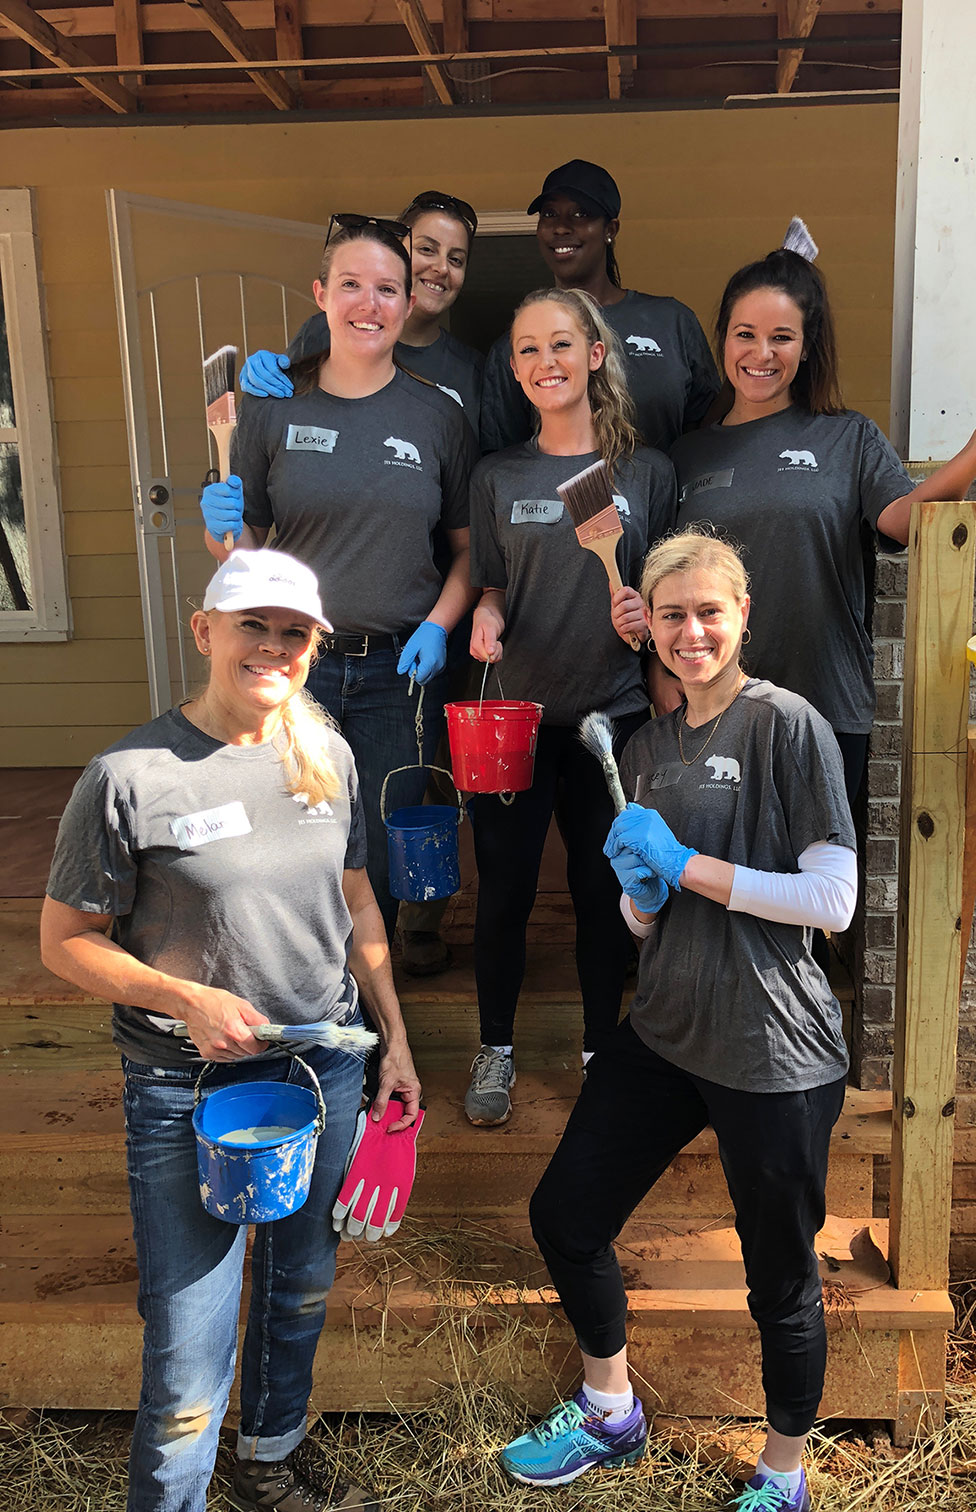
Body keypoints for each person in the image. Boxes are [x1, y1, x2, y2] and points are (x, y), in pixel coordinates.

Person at [39, 548, 422, 1512]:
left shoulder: (327, 755)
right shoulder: (132, 775)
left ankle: (266, 1465)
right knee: (187, 1337)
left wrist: (396, 1045)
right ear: (204, 631)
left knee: (297, 1289)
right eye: (252, 624)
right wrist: (188, 1001)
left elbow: (359, 907)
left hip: (321, 1072)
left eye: (295, 632)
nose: (274, 646)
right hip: (185, 1090)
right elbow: (63, 942)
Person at [499, 530, 857, 1512]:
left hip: (774, 1049)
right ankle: (610, 1412)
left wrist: (689, 868)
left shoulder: (788, 727)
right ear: (648, 628)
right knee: (565, 1217)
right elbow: (647, 920)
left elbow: (832, 901)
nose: (691, 631)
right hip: (664, 1029)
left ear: (743, 618)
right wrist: (641, 895)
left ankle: (783, 1475)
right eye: (671, 615)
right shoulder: (649, 750)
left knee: (779, 1276)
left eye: (709, 611)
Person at [663, 226, 976, 803]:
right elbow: (662, 585)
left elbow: (902, 521)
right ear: (723, 341)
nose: (761, 353)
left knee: (820, 890)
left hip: (824, 704)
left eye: (781, 337)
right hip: (710, 706)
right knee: (718, 888)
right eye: (744, 334)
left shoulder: (846, 438)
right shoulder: (685, 454)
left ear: (806, 347)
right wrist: (665, 680)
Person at [200, 218, 479, 941]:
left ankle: (375, 1011)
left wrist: (438, 624)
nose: (369, 303)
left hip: (399, 671)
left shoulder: (437, 416)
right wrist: (219, 523)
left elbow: (470, 551)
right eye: (351, 285)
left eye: (387, 288)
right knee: (292, 829)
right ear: (321, 295)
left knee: (384, 846)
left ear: (407, 301)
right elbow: (244, 547)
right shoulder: (270, 403)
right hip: (293, 664)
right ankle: (307, 991)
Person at [465, 287, 677, 1127]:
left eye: (560, 344)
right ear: (514, 369)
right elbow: (491, 583)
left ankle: (600, 1047)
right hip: (515, 719)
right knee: (505, 892)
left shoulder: (647, 474)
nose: (543, 362)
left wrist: (643, 618)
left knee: (600, 890)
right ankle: (496, 1048)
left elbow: (670, 594)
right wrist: (486, 613)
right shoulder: (498, 475)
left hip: (612, 714)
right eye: (526, 349)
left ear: (595, 354)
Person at [480, 160, 719, 455]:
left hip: (661, 497)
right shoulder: (520, 347)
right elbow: (504, 463)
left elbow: (709, 435)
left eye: (581, 214)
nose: (561, 226)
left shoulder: (671, 322)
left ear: (610, 229)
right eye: (550, 214)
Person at [240, 195, 485, 428]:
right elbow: (281, 424)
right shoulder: (321, 332)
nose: (442, 268)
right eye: (427, 250)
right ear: (395, 251)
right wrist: (264, 387)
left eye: (456, 260)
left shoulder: (472, 369)